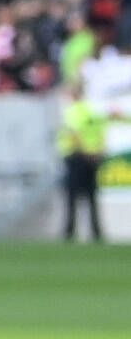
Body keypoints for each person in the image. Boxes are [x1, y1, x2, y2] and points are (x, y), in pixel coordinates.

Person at [60, 88, 109, 242]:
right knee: (92, 196)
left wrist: (84, 152)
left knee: (72, 197)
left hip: (76, 157)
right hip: (93, 158)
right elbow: (101, 133)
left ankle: (70, 232)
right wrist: (97, 152)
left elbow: (75, 134)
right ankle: (96, 232)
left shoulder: (73, 111)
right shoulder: (93, 111)